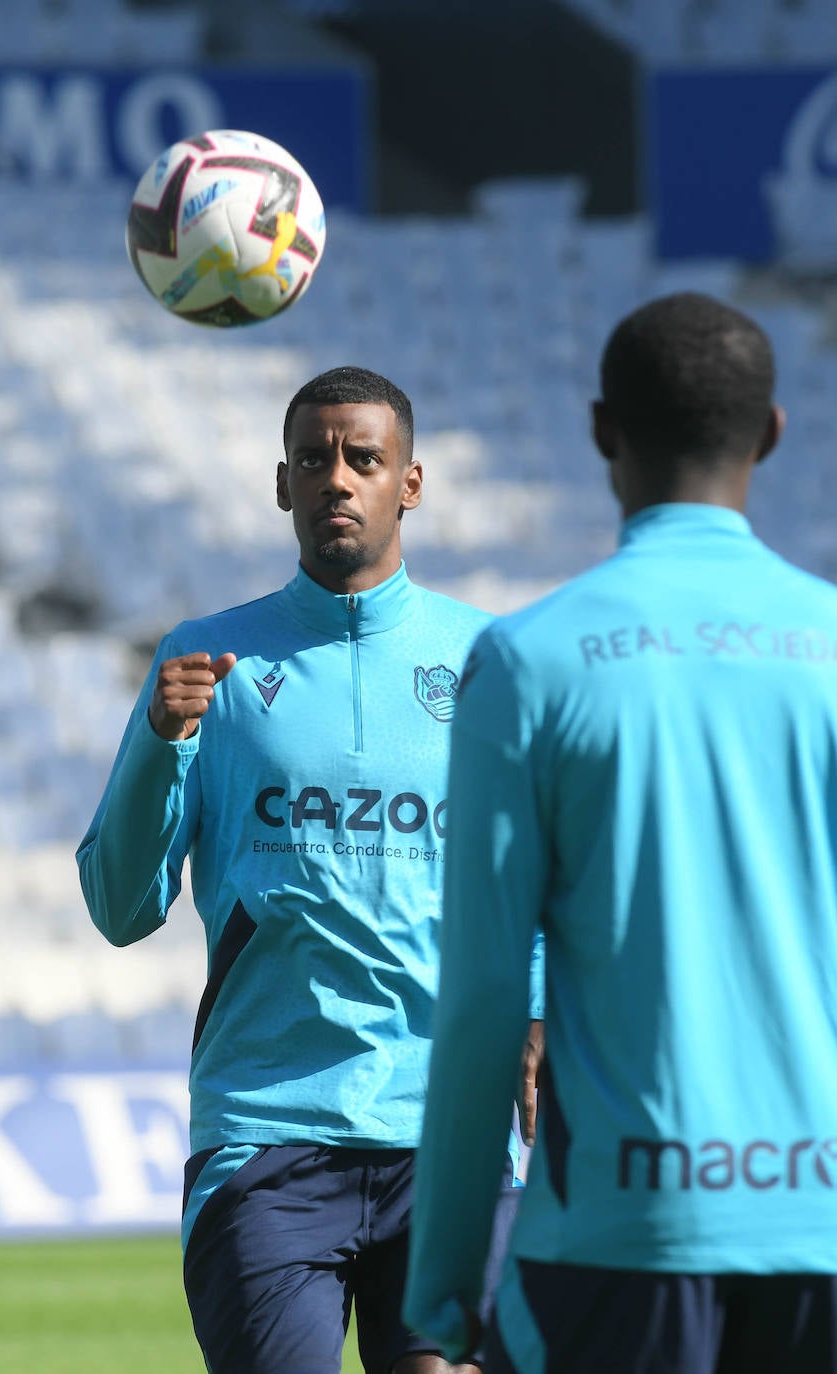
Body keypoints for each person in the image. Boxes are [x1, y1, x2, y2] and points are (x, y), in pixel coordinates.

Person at [77, 365, 543, 1374]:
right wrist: (161, 743)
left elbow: (537, 874)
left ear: (409, 483)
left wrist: (540, 1014)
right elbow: (120, 906)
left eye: (363, 459)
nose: (338, 478)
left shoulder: (491, 664)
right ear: (281, 484)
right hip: (268, 1134)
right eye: (313, 459)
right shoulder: (209, 666)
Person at [404, 292, 837, 1373]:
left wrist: (447, 1283)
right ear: (774, 433)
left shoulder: (527, 661)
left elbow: (487, 1000)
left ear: (602, 430)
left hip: (616, 1233)